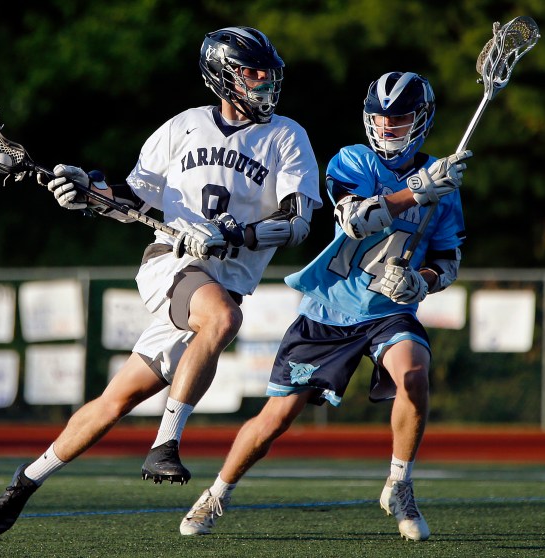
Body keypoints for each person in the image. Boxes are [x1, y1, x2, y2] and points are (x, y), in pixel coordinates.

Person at [0, 26, 321, 536]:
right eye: (252, 73)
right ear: (222, 76)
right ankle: (166, 444)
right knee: (225, 319)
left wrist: (236, 235)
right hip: (171, 264)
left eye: (269, 74)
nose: (264, 84)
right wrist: (88, 192)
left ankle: (25, 480)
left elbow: (297, 223)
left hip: (222, 278)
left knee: (113, 402)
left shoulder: (287, 137)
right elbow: (137, 201)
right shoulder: (181, 127)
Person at [179, 71, 471, 542]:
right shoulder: (352, 160)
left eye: (397, 119)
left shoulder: (445, 183)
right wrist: (418, 189)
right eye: (379, 117)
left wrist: (421, 281)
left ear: (421, 120)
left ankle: (399, 484)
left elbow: (448, 259)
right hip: (329, 310)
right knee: (277, 418)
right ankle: (216, 493)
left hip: (386, 311)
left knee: (414, 377)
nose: (387, 127)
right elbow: (356, 220)